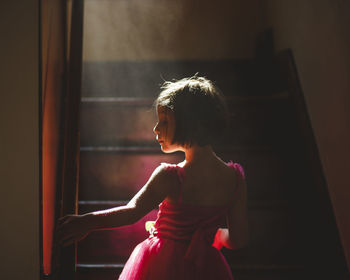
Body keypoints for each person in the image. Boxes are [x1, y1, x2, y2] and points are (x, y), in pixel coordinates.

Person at [57, 75, 249, 279]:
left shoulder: (171, 176)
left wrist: (87, 222)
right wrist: (215, 235)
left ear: (190, 123)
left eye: (165, 121)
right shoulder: (235, 178)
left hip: (162, 267)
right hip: (207, 268)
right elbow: (239, 239)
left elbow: (131, 212)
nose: (156, 128)